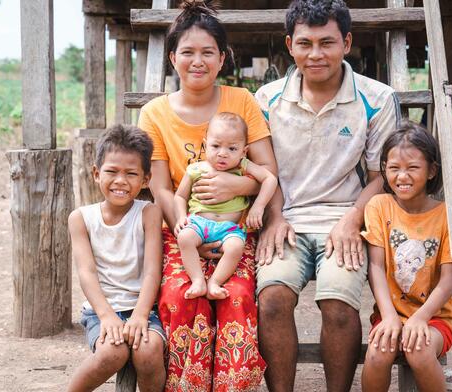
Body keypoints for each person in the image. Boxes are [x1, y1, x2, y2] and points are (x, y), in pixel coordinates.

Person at [254, 0, 401, 390]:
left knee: (338, 306)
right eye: (305, 43)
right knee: (271, 299)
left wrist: (353, 219)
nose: (315, 54)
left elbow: (381, 176)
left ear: (347, 43)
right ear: (289, 45)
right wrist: (274, 216)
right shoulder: (267, 100)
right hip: (286, 219)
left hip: (347, 219)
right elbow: (265, 171)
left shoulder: (377, 98)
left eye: (327, 42)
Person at [137, 1, 278, 390]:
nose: (197, 61)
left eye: (207, 52)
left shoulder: (242, 102)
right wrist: (187, 231)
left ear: (222, 58)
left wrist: (239, 186)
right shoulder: (154, 114)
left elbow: (269, 170)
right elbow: (161, 188)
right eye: (187, 52)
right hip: (183, 232)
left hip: (236, 232)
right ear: (172, 58)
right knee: (183, 297)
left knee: (235, 296)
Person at [360, 121, 452, 391]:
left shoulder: (449, 216)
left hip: (434, 316)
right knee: (378, 353)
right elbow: (375, 267)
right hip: (390, 312)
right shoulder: (378, 206)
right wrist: (388, 316)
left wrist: (421, 318)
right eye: (393, 168)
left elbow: (448, 281)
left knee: (419, 350)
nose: (402, 176)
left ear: (432, 170)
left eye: (412, 168)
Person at [67, 125, 165, 392]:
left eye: (131, 174)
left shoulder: (149, 214)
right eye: (112, 171)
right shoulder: (81, 219)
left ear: (146, 179)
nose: (121, 180)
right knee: (113, 352)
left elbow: (152, 271)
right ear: (96, 173)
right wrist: (107, 316)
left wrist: (141, 315)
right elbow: (86, 273)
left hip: (142, 308)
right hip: (99, 311)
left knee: (148, 350)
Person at [174, 112, 278, 300]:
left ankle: (214, 282)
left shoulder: (242, 166)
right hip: (198, 223)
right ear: (205, 145)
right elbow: (180, 196)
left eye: (232, 148)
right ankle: (197, 280)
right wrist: (181, 216)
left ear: (243, 151)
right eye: (215, 146)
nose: (222, 153)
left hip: (229, 229)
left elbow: (270, 179)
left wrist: (258, 206)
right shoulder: (196, 169)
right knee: (185, 238)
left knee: (236, 247)